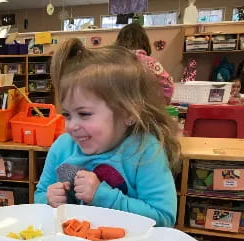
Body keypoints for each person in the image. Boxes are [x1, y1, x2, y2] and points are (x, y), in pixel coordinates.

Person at [35, 38, 180, 227]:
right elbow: (39, 196)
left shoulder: (146, 151)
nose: (71, 126)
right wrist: (48, 200)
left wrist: (102, 196)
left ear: (128, 113)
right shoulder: (62, 147)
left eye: (84, 114)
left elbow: (163, 219)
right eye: (67, 115)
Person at [116, 23, 174, 104]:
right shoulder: (151, 63)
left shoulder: (114, 62)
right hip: (147, 108)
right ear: (145, 42)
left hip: (119, 108)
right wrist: (161, 103)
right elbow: (168, 85)